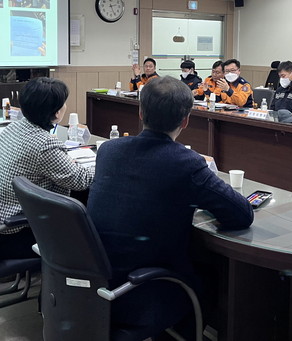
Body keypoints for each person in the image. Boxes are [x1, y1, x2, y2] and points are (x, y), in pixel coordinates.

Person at [87, 76, 253, 336]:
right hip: (139, 290)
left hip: (94, 282)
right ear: (185, 120)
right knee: (210, 277)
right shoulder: (187, 162)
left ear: (140, 113)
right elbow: (242, 214)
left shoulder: (109, 150)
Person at [0, 77, 95, 259]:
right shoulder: (44, 144)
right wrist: (105, 160)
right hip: (15, 234)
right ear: (56, 112)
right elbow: (82, 180)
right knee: (86, 201)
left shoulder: (14, 127)